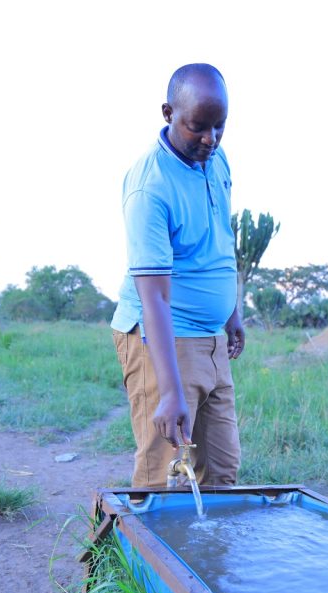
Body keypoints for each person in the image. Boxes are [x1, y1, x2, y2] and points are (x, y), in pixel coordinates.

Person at [110, 63, 245, 488]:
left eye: (219, 126)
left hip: (212, 339)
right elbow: (154, 298)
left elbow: (220, 238)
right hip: (164, 339)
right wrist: (169, 392)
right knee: (161, 473)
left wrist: (231, 311)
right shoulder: (150, 188)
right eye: (198, 127)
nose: (211, 139)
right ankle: (119, 538)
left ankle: (205, 539)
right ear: (168, 113)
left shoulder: (216, 160)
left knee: (221, 471)